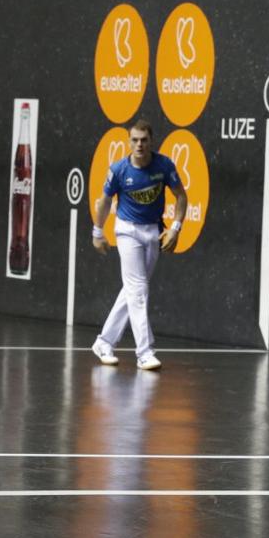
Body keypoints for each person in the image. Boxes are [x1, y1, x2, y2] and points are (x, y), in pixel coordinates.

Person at [91, 119, 187, 371]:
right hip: (127, 231)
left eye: (144, 140)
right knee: (139, 288)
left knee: (133, 291)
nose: (139, 144)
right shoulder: (119, 170)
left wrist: (176, 228)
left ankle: (104, 341)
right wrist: (97, 231)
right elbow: (103, 201)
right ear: (129, 142)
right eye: (135, 140)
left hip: (154, 232)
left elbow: (181, 196)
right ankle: (144, 352)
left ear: (151, 141)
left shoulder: (164, 165)